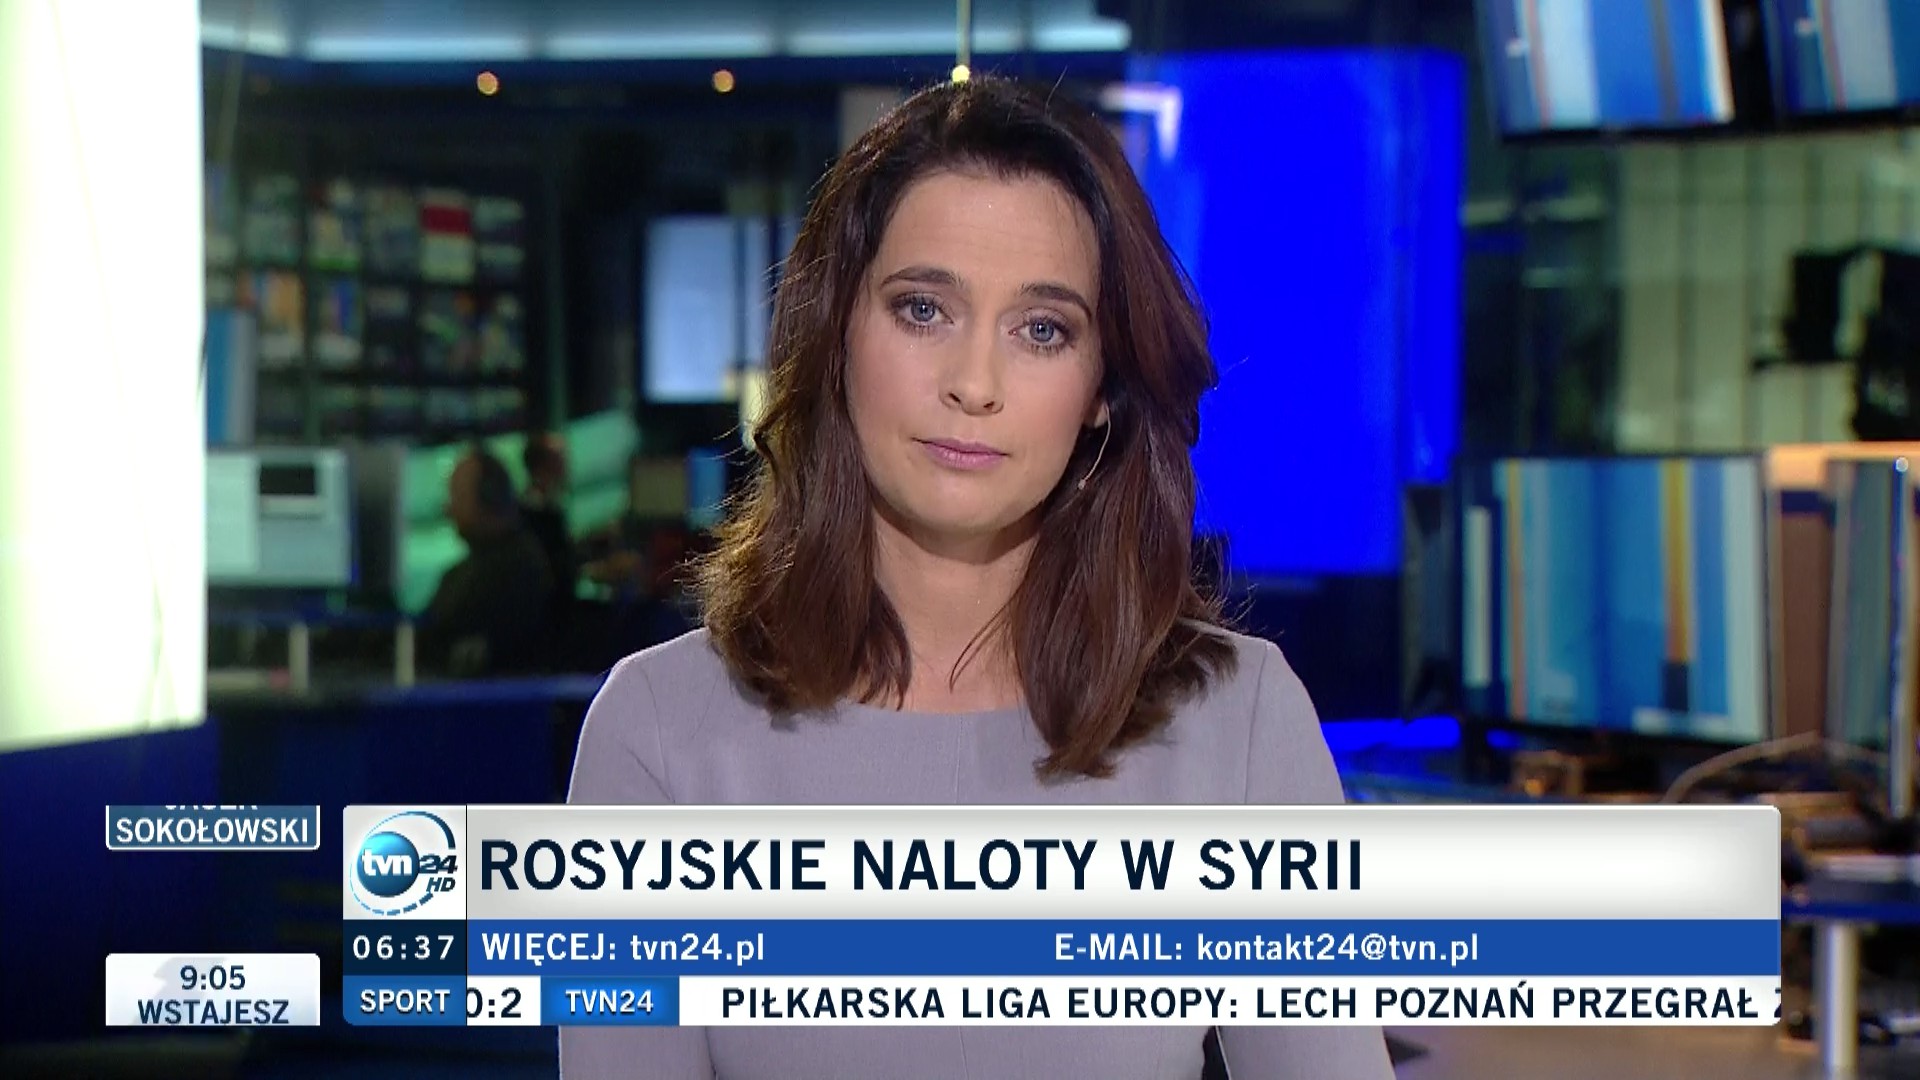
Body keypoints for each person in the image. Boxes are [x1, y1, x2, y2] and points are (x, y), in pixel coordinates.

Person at [564, 77, 1393, 1079]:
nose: (974, 384)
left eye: (1042, 329)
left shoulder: (1240, 722)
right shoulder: (657, 733)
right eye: (924, 310)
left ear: (1101, 389)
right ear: (837, 337)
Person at [418, 444, 554, 676]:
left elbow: (437, 635)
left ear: (489, 497)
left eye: (456, 497)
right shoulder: (467, 570)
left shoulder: (514, 569)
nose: (448, 509)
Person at [520, 431, 578, 615]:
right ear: (542, 466)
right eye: (559, 459)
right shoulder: (535, 515)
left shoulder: (549, 508)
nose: (566, 466)